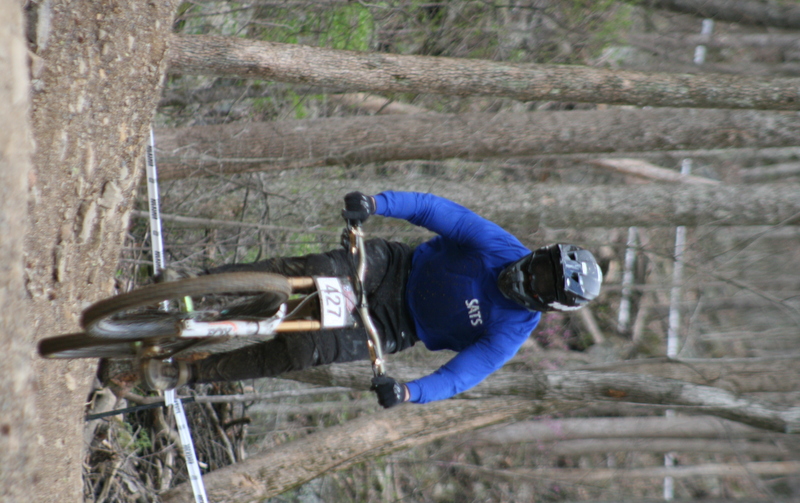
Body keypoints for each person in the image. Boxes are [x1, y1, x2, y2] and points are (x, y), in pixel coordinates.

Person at [130, 191, 603, 407]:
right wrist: (376, 205)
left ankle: (189, 371)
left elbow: (459, 377)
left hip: (395, 328)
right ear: (539, 253)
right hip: (390, 268)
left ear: (548, 305)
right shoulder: (500, 246)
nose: (532, 276)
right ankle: (192, 286)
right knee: (302, 274)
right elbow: (437, 211)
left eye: (544, 285)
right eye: (540, 265)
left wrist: (409, 391)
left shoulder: (510, 333)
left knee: (299, 351)